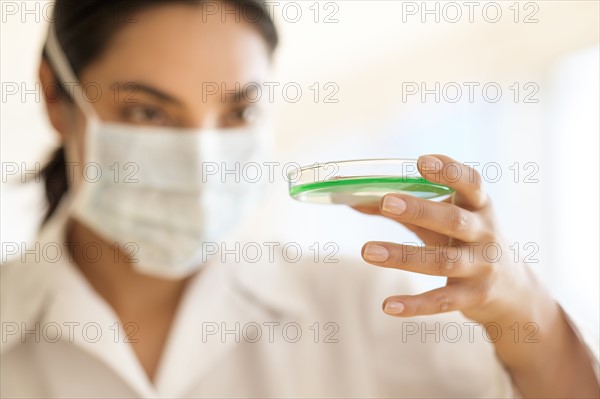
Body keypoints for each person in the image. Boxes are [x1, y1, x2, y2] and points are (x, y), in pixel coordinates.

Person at [1, 1, 598, 398]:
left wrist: (528, 315)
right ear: (56, 97)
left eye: (239, 111)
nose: (203, 157)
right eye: (148, 111)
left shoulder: (367, 312)